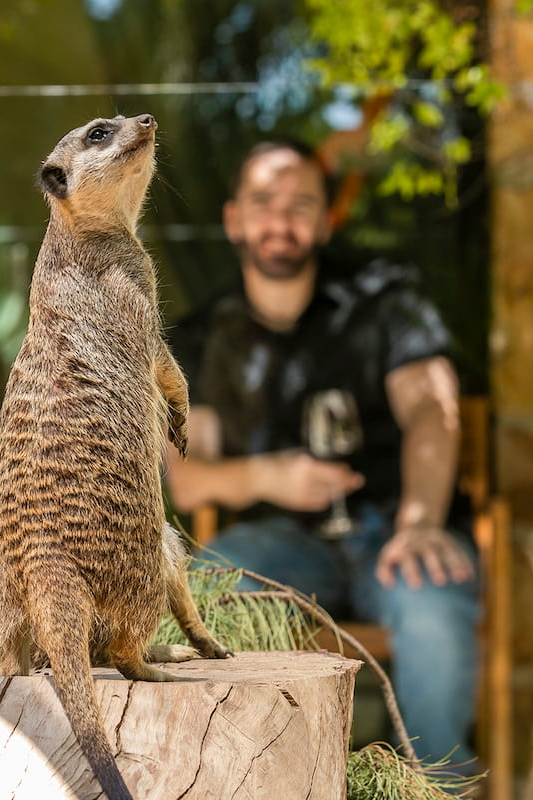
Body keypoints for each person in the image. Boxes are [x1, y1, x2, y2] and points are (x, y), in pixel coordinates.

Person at [163, 140, 480, 774]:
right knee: (205, 591)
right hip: (282, 541)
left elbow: (432, 411)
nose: (280, 221)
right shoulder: (205, 337)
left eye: (300, 204)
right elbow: (188, 480)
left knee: (433, 605)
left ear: (327, 220)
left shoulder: (383, 302)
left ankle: (439, 787)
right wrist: (267, 476)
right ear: (233, 219)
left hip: (393, 529)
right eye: (263, 203)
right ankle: (237, 777)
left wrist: (420, 520)